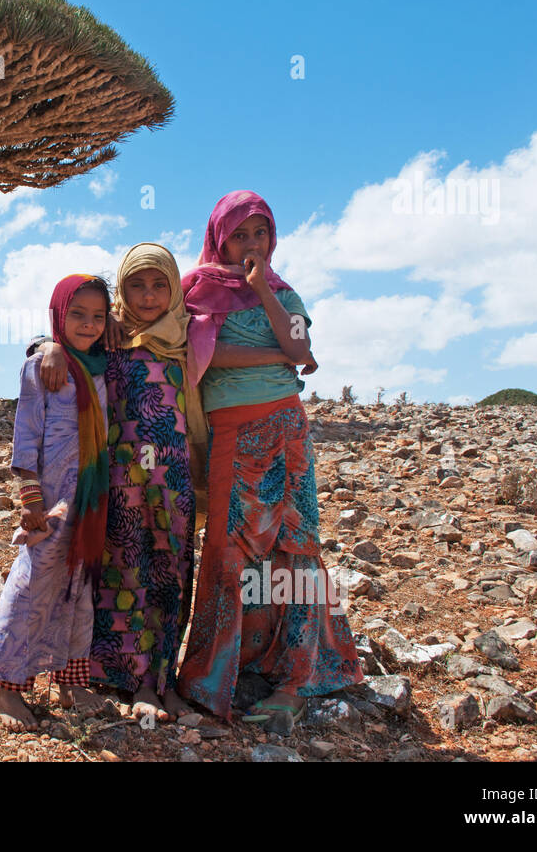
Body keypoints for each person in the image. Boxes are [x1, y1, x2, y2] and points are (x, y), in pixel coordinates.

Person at [30, 244, 301, 722]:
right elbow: (67, 343)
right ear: (123, 289)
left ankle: (160, 681)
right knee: (120, 571)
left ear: (176, 287)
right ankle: (120, 677)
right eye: (136, 284)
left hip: (172, 478)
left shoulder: (191, 334)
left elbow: (235, 356)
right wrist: (43, 346)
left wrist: (290, 354)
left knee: (170, 573)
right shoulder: (111, 334)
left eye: (159, 284)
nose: (149, 295)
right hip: (118, 478)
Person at [177, 190, 361, 724]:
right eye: (240, 235)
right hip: (233, 432)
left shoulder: (286, 294)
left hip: (287, 428)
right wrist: (279, 354)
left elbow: (301, 345)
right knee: (231, 546)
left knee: (294, 545)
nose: (251, 244)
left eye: (260, 234)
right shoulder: (196, 290)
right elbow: (205, 354)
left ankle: (296, 676)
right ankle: (217, 676)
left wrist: (264, 292)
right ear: (220, 237)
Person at [0, 274, 113, 732]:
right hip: (51, 497)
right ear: (58, 315)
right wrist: (30, 495)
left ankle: (71, 680)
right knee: (34, 580)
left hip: (91, 493)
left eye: (98, 316)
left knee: (79, 583)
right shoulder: (43, 367)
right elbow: (27, 433)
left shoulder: (102, 366)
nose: (89, 324)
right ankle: (8, 684)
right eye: (77, 314)